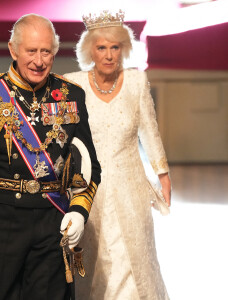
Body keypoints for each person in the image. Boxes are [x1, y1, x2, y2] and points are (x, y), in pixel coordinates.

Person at [0, 14, 101, 300]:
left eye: (47, 52)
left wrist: (79, 211)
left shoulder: (71, 96)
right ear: (13, 49)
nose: (39, 61)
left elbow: (90, 166)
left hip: (51, 221)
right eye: (31, 51)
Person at [63, 10, 171, 300]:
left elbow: (150, 130)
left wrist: (163, 175)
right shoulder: (73, 85)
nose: (109, 55)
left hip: (131, 186)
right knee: (96, 257)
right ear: (90, 50)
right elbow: (62, 139)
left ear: (124, 49)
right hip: (88, 188)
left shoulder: (136, 82)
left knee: (131, 255)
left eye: (115, 47)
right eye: (101, 47)